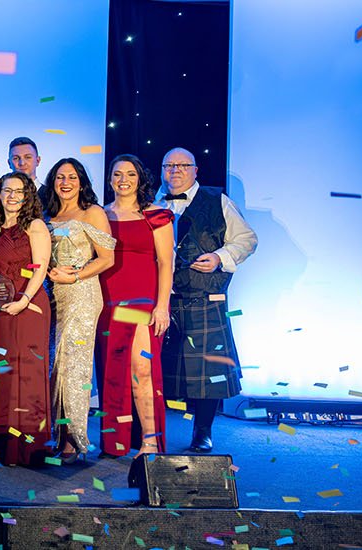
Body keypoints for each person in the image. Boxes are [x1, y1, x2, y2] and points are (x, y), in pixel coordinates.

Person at [156, 147, 257, 453]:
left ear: (195, 170)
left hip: (206, 299)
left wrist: (219, 256)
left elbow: (247, 240)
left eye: (182, 165)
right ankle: (151, 432)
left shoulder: (218, 201)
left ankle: (203, 432)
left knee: (208, 374)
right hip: (166, 300)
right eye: (168, 165)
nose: (175, 170)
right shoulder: (153, 205)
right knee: (161, 370)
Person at [98, 154, 173, 458]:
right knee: (112, 373)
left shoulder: (156, 215)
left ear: (140, 178)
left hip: (142, 303)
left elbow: (166, 263)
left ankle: (151, 440)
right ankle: (115, 443)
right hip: (107, 303)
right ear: (110, 179)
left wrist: (163, 306)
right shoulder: (101, 215)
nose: (123, 180)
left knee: (142, 370)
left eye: (130, 174)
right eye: (117, 174)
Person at [43, 158, 115, 463]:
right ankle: (56, 435)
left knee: (74, 367)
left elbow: (107, 259)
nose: (65, 182)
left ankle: (74, 439)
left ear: (81, 181)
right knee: (53, 365)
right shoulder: (48, 214)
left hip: (82, 295)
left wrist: (74, 276)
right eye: (60, 177)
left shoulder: (93, 213)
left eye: (72, 176)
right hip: (51, 295)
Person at [0, 172, 52, 466]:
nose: (11, 196)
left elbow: (40, 267)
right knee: (5, 373)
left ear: (28, 196)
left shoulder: (34, 226)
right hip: (1, 309)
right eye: (6, 190)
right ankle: (4, 444)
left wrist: (23, 301)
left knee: (28, 373)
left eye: (18, 191)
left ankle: (29, 447)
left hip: (29, 307)